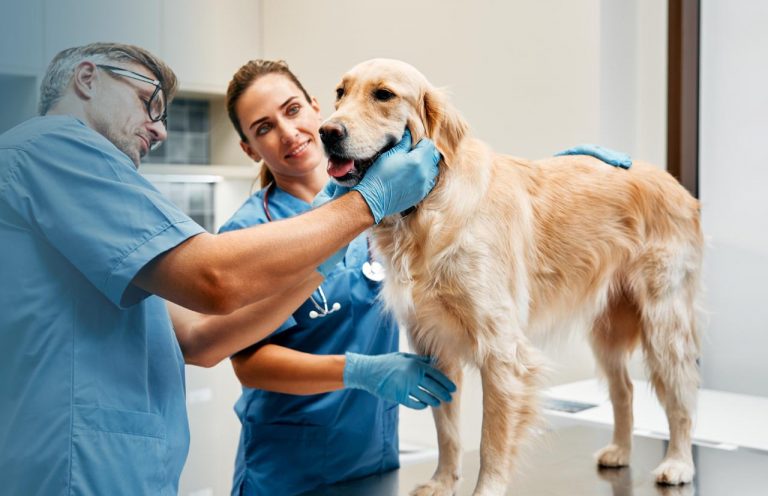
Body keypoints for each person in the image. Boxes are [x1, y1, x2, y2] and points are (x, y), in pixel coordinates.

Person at [0, 43, 444, 495]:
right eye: (149, 102)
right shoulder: (52, 147)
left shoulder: (79, 200)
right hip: (83, 470)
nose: (160, 130)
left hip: (124, 469)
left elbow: (198, 337)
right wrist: (366, 204)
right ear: (88, 78)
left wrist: (326, 251)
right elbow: (213, 280)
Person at [215, 59, 635, 496]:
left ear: (317, 108)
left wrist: (572, 187)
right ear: (248, 148)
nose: (289, 131)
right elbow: (244, 360)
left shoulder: (389, 209)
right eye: (263, 128)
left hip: (374, 460)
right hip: (286, 473)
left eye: (293, 109)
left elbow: (469, 195)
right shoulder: (249, 232)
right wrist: (358, 371)